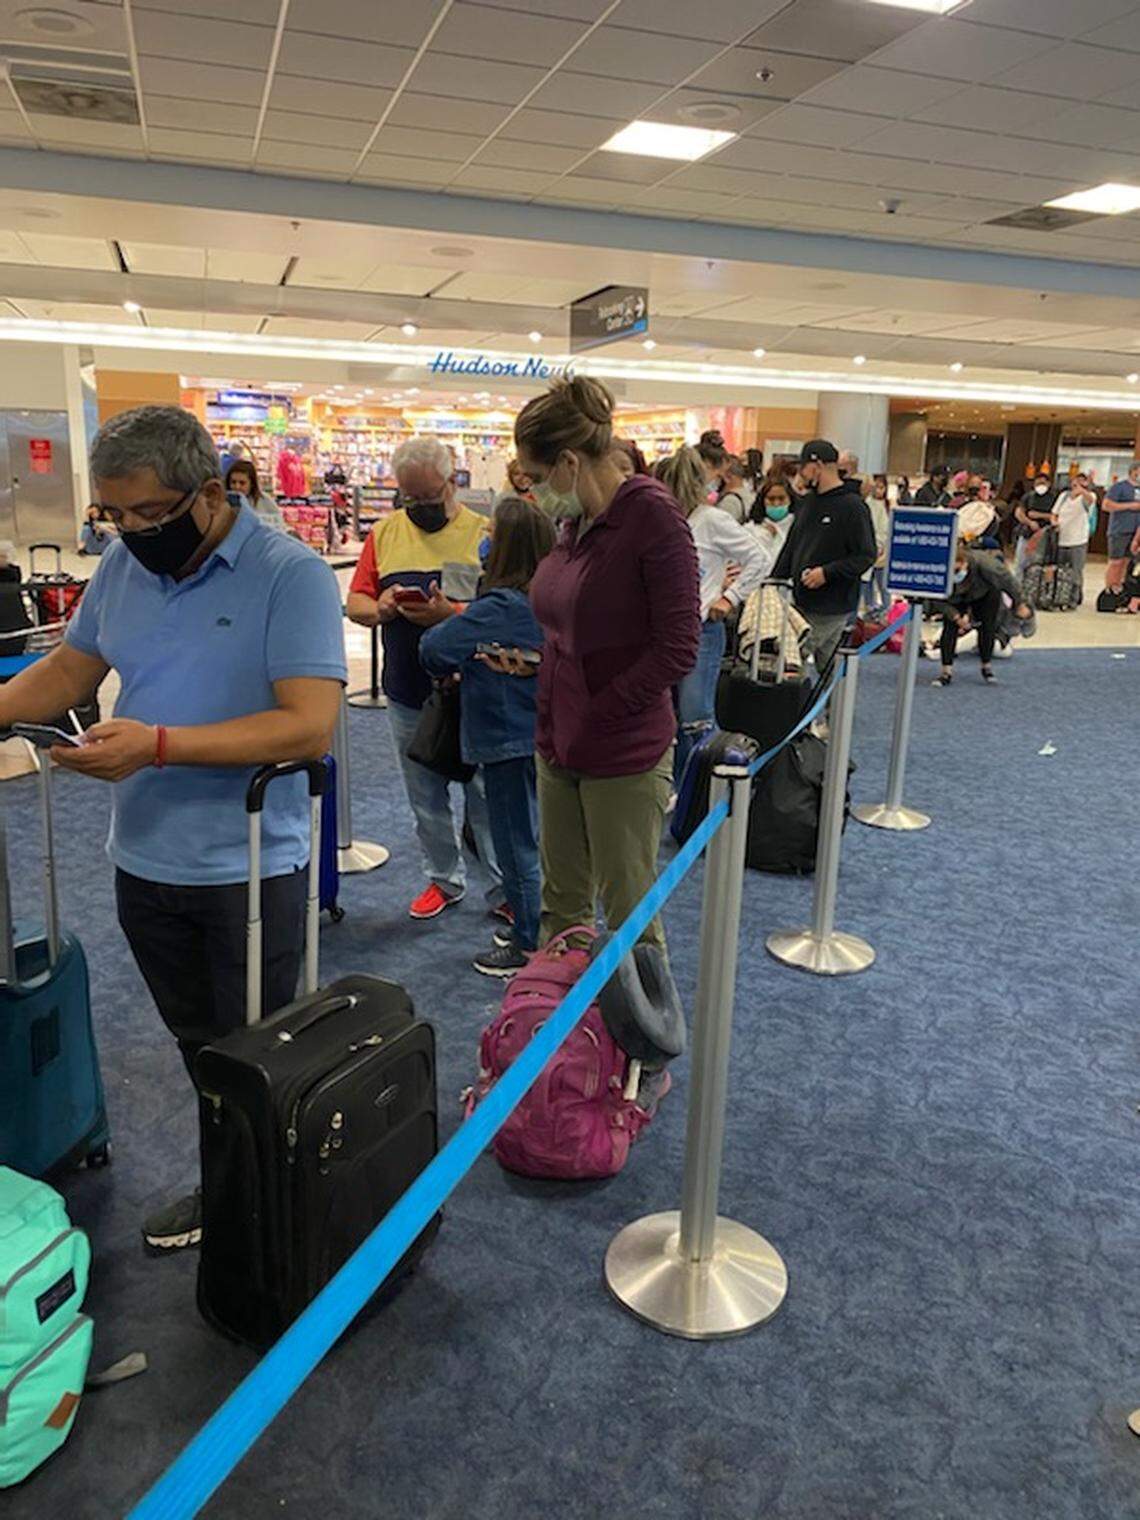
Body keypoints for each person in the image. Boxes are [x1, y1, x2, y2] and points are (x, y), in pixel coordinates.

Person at [0, 405, 346, 1252]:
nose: (129, 532)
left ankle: (283, 1210)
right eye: (113, 516)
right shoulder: (121, 567)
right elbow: (70, 669)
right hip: (145, 858)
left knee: (262, 1053)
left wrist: (157, 746)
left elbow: (309, 726)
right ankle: (234, 1188)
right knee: (200, 1048)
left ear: (211, 490)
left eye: (149, 514)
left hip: (249, 867)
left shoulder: (288, 573)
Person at [512, 376, 699, 952]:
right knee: (562, 908)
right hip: (557, 740)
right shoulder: (575, 522)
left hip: (622, 751)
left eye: (537, 479)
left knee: (629, 920)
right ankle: (567, 1033)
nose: (534, 494)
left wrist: (601, 708)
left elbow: (678, 646)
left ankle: (637, 1040)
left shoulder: (652, 519)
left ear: (569, 462)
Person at [346, 435, 503, 921]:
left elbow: (506, 611)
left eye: (429, 498)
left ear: (452, 480)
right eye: (409, 498)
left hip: (477, 687)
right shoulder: (385, 533)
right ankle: (443, 879)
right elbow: (357, 602)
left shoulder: (486, 533)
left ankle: (503, 890)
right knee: (424, 794)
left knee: (485, 796)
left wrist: (449, 614)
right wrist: (382, 608)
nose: (419, 508)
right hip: (408, 688)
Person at [420, 497, 555, 978]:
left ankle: (526, 942)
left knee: (513, 839)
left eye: (494, 534)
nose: (486, 540)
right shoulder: (549, 598)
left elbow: (434, 648)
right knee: (540, 837)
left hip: (503, 736)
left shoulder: (499, 605)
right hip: (544, 733)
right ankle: (543, 926)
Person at [656, 447, 767, 788]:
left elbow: (760, 559)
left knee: (696, 717)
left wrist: (730, 597)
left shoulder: (712, 520)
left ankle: (707, 788)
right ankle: (682, 787)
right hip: (664, 630)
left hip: (701, 628)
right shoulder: (663, 520)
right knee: (671, 717)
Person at [771, 440, 876, 674]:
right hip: (802, 601)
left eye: (804, 467)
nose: (801, 474)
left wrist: (826, 573)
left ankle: (798, 710)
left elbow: (865, 556)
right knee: (827, 673)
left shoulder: (853, 507)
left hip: (832, 605)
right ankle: (831, 709)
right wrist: (772, 581)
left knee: (790, 659)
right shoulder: (809, 503)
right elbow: (792, 547)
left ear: (817, 465)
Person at [933, 543, 1031, 687]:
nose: (955, 574)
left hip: (985, 593)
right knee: (949, 627)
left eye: (957, 570)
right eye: (951, 572)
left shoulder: (986, 564)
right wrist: (956, 616)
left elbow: (1008, 581)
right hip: (955, 597)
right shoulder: (940, 571)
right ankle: (946, 671)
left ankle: (986, 666)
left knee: (987, 627)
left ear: (964, 563)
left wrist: (1020, 602)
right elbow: (936, 599)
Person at [1048, 471, 1095, 601]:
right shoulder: (1063, 496)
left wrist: (1082, 489)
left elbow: (1090, 500)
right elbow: (1054, 513)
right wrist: (1054, 522)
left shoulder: (1089, 496)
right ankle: (1061, 594)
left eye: (1081, 481)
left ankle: (1075, 597)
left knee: (1076, 570)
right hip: (1062, 537)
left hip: (1078, 539)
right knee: (1061, 569)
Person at [1102, 461, 1140, 602]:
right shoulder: (1119, 487)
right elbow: (1106, 505)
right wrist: (1130, 505)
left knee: (1127, 563)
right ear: (1134, 471)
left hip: (1136, 533)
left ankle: (1121, 590)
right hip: (1120, 530)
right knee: (1115, 562)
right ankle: (1110, 590)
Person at [225, 458, 287, 534]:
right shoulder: (222, 502)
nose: (237, 487)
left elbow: (279, 527)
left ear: (252, 484)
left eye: (242, 483)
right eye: (233, 482)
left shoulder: (265, 501)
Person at [1014, 471, 1058, 575]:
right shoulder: (1028, 496)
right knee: (1021, 562)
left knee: (1039, 564)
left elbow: (1056, 516)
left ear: (1048, 484)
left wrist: (1039, 515)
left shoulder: (1054, 498)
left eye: (1042, 483)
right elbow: (1019, 513)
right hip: (1027, 533)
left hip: (1045, 536)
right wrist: (1029, 522)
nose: (1040, 486)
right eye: (1037, 484)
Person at [748, 477, 795, 570]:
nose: (776, 503)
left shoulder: (798, 526)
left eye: (781, 499)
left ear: (790, 499)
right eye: (771, 499)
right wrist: (765, 538)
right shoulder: (750, 529)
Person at [861, 475, 890, 617]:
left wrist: (878, 546)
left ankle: (886, 609)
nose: (878, 490)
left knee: (882, 583)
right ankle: (870, 607)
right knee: (866, 583)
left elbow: (884, 530)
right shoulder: (864, 504)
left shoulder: (882, 506)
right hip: (866, 553)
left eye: (881, 487)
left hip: (880, 554)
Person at [716, 450, 764, 524]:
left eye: (718, 476)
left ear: (727, 477)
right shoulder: (750, 495)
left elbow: (719, 529)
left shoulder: (729, 501)